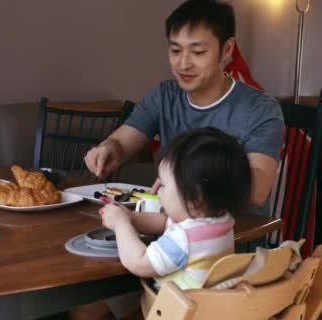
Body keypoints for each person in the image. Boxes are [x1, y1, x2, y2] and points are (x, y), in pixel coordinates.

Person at [84, 0, 284, 217]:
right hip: (171, 232)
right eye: (176, 50)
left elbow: (256, 191)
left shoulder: (260, 109)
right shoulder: (164, 96)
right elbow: (122, 142)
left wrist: (180, 176)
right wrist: (108, 149)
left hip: (236, 237)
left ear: (227, 50)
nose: (183, 64)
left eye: (198, 52)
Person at [100, 127, 251, 290]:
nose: (158, 190)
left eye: (163, 185)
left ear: (195, 196)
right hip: (210, 306)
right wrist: (131, 217)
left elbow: (138, 262)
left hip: (178, 311)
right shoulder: (220, 221)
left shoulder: (183, 239)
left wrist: (121, 225)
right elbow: (167, 222)